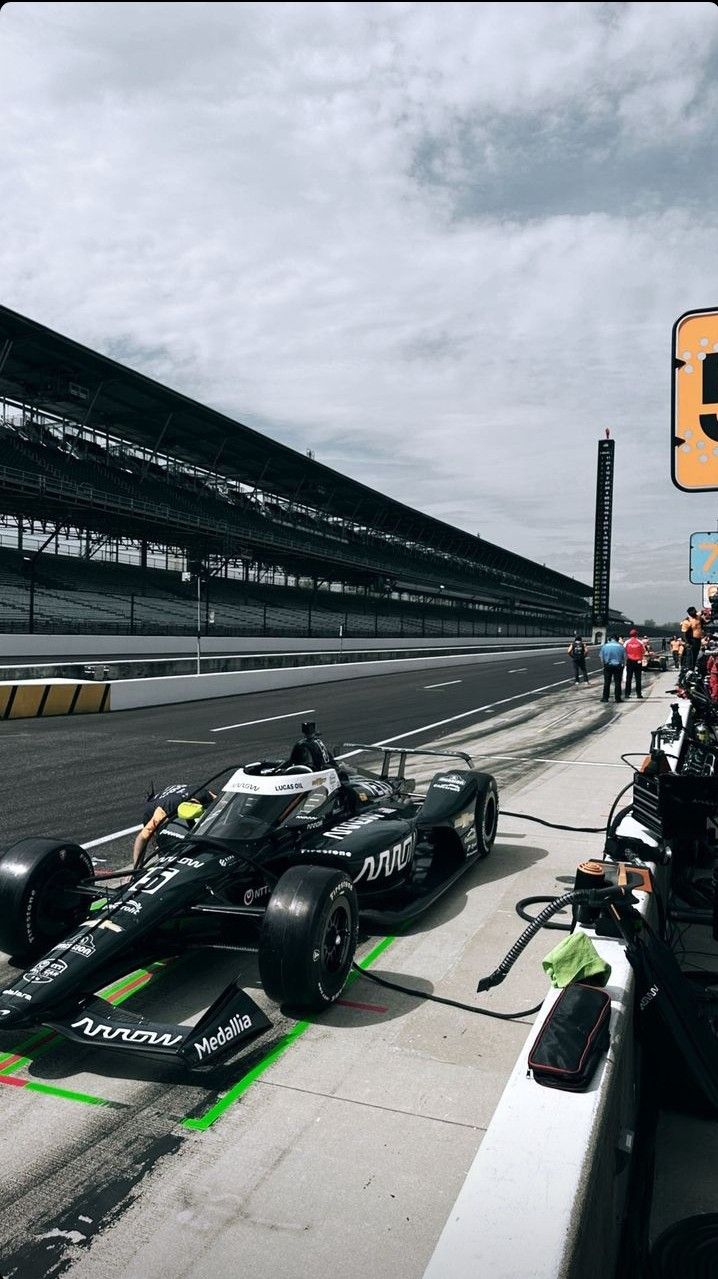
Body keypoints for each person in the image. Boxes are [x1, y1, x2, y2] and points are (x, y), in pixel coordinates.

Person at [132, 782, 215, 868]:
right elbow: (142, 838)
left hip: (179, 794)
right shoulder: (163, 812)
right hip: (158, 805)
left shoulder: (204, 794)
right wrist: (135, 869)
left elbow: (224, 804)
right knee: (159, 840)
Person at [599, 633, 625, 703]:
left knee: (607, 682)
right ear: (617, 639)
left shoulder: (605, 646)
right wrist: (623, 665)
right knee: (617, 683)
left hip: (608, 665)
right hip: (618, 666)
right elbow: (624, 658)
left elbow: (601, 657)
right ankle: (617, 698)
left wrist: (603, 665)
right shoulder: (621, 646)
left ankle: (605, 698)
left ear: (610, 639)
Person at [624, 628, 646, 699]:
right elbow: (643, 651)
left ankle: (627, 693)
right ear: (636, 634)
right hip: (638, 662)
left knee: (629, 678)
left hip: (629, 661)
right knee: (638, 679)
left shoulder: (627, 642)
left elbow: (624, 651)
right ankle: (638, 694)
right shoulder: (640, 642)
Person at [680, 606, 704, 670]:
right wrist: (687, 643)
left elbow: (702, 615)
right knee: (690, 655)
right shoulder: (687, 621)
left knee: (696, 654)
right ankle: (689, 668)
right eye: (693, 612)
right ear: (690, 613)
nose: (695, 612)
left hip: (698, 640)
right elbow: (684, 633)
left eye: (695, 611)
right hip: (691, 640)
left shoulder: (698, 617)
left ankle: (693, 668)